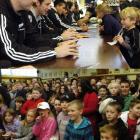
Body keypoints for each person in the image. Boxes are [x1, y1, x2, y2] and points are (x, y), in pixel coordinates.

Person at [0, 0, 78, 67]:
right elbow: (11, 52)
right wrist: (53, 52)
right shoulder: (2, 13)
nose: (35, 1)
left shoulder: (23, 12)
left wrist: (57, 45)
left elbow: (33, 40)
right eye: (47, 4)